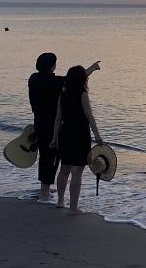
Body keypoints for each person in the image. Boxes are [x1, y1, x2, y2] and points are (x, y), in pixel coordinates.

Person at [28, 54, 100, 200]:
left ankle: (45, 188)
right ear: (51, 66)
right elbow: (76, 79)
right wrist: (92, 68)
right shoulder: (54, 82)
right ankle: (45, 192)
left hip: (39, 122)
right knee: (52, 159)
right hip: (52, 125)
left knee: (45, 157)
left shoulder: (33, 79)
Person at [50, 65, 104, 213]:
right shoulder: (82, 94)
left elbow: (58, 119)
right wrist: (97, 136)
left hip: (65, 135)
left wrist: (55, 138)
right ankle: (73, 207)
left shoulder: (63, 94)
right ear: (83, 79)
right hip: (80, 136)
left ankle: (60, 201)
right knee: (76, 173)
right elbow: (89, 116)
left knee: (64, 170)